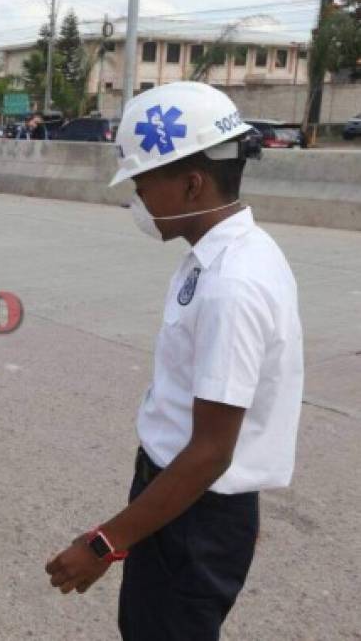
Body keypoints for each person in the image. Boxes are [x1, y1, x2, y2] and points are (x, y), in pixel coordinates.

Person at [44, 82, 303, 641]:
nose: (136, 200)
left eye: (143, 185)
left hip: (196, 508)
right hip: (185, 500)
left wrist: (103, 543)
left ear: (191, 184)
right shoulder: (215, 256)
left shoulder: (233, 283)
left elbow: (211, 452)